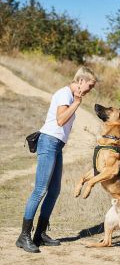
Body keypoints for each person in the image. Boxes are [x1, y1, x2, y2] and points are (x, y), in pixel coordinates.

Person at [16, 67, 97, 253]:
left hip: (56, 145)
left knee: (54, 191)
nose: (89, 90)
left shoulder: (70, 96)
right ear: (81, 81)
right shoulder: (64, 94)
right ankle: (24, 236)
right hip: (49, 142)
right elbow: (60, 120)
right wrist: (76, 103)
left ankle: (40, 234)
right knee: (40, 190)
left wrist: (76, 102)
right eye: (89, 86)